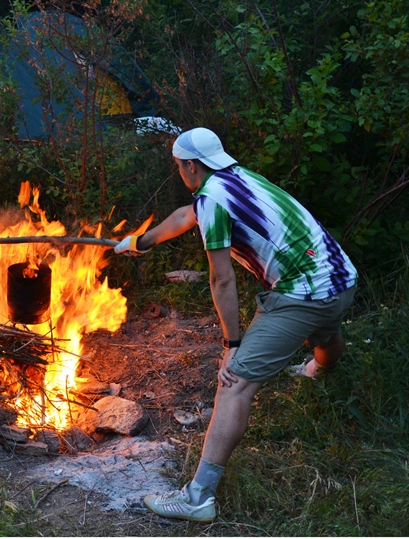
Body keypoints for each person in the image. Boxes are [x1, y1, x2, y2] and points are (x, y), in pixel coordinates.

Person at [114, 127, 357, 522]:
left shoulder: (214, 202)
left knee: (235, 383)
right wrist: (140, 242)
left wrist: (232, 344)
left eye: (178, 166)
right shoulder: (238, 178)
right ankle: (321, 370)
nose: (179, 171)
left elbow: (221, 279)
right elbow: (183, 215)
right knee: (325, 330)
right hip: (342, 279)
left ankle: (197, 498)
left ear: (191, 165)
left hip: (305, 294)